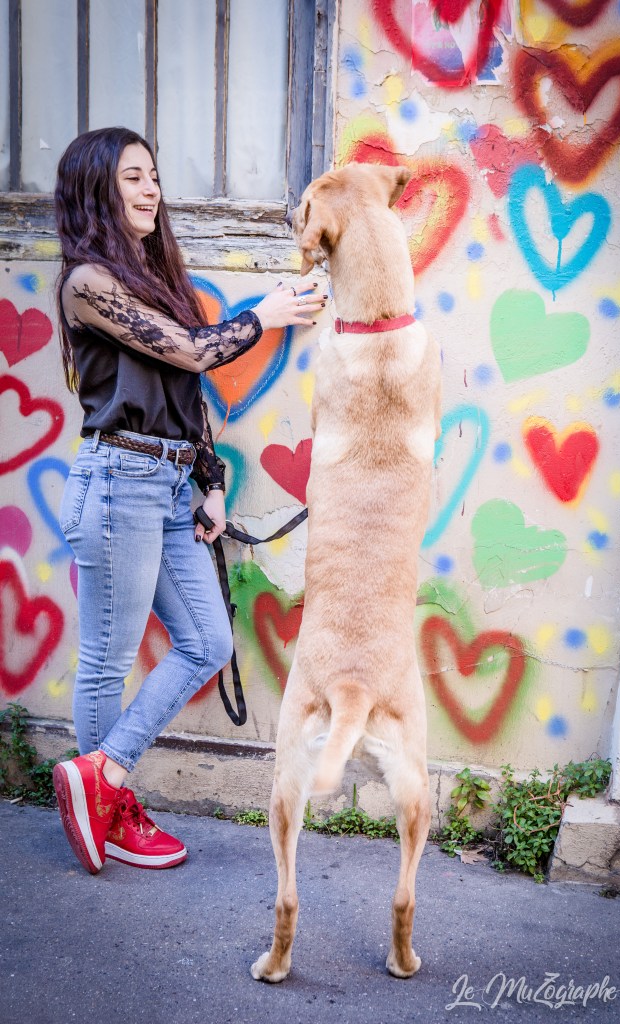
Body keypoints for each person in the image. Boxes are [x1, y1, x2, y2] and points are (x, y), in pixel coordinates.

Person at [51, 126, 324, 874]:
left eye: (154, 176)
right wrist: (262, 316)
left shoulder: (150, 274)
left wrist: (208, 481)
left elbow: (183, 389)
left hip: (168, 485)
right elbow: (194, 353)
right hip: (118, 484)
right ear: (95, 188)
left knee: (205, 641)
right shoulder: (88, 284)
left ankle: (99, 778)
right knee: (107, 662)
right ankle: (108, 809)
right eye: (132, 177)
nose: (151, 189)